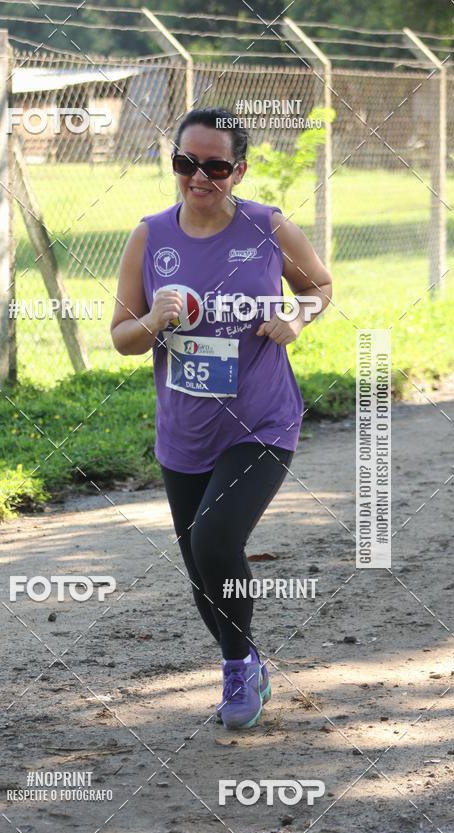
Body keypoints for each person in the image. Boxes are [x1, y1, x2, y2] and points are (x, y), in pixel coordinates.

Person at [111, 107, 332, 730]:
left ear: (240, 170)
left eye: (215, 166)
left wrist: (297, 317)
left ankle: (236, 667)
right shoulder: (150, 236)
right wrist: (154, 319)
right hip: (185, 432)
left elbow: (318, 286)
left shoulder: (267, 226)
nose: (199, 177)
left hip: (261, 421)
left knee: (214, 540)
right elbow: (122, 338)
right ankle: (249, 660)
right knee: (200, 568)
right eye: (186, 163)